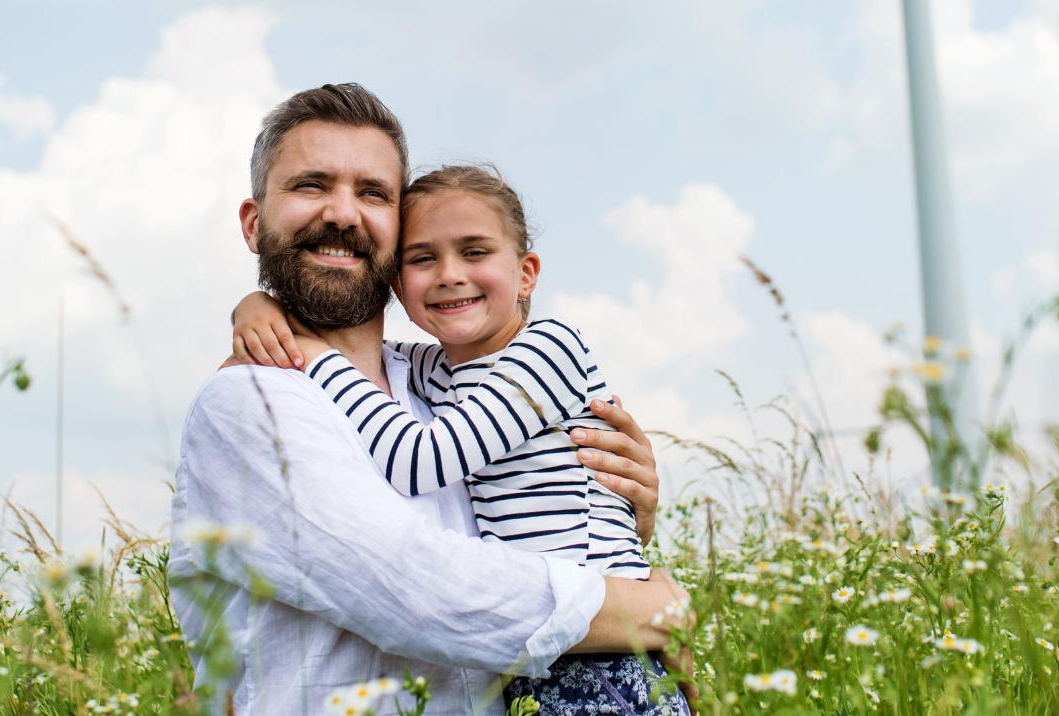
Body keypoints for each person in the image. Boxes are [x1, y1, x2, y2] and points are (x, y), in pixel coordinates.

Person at [169, 84, 688, 716]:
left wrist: (630, 510)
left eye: (372, 193)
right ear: (254, 224)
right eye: (310, 185)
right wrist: (650, 608)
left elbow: (531, 520)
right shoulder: (250, 400)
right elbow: (422, 592)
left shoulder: (438, 381)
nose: (341, 213)